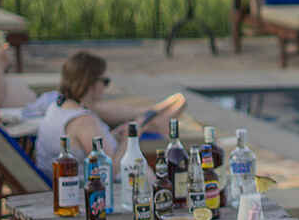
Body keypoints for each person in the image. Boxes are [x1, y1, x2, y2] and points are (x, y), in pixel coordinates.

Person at [33, 52, 187, 174]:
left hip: (63, 183)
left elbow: (84, 147)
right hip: (88, 193)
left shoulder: (58, 107)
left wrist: (113, 136)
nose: (106, 87)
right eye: (105, 81)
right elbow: (109, 171)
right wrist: (129, 139)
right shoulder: (83, 121)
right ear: (90, 83)